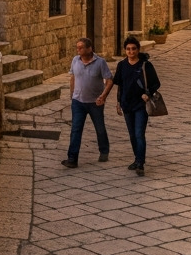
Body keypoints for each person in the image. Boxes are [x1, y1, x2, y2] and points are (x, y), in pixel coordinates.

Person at [62, 38, 112, 168]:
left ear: (89, 48)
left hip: (95, 102)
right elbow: (73, 77)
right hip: (78, 102)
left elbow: (109, 80)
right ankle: (72, 159)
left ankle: (104, 150)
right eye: (77, 47)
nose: (78, 50)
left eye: (81, 47)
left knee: (100, 128)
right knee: (76, 130)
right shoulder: (75, 60)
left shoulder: (100, 62)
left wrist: (103, 96)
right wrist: (72, 95)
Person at [113, 37, 160, 176]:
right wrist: (118, 102)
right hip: (127, 104)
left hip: (141, 105)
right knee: (132, 135)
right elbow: (120, 85)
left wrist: (148, 93)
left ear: (138, 49)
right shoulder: (122, 65)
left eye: (133, 49)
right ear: (125, 50)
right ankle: (137, 158)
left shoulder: (145, 65)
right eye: (128, 49)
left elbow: (156, 83)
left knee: (139, 134)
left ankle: (140, 163)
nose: (131, 51)